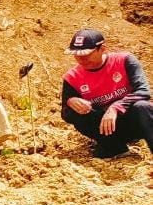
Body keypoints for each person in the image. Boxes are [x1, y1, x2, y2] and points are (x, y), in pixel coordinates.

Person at [60, 29, 153, 163]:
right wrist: (70, 101)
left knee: (143, 107)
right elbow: (66, 115)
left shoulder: (124, 60)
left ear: (102, 49)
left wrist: (115, 107)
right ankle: (114, 147)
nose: (81, 59)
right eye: (76, 55)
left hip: (131, 121)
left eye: (86, 54)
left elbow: (143, 91)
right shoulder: (72, 78)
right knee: (76, 112)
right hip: (104, 129)